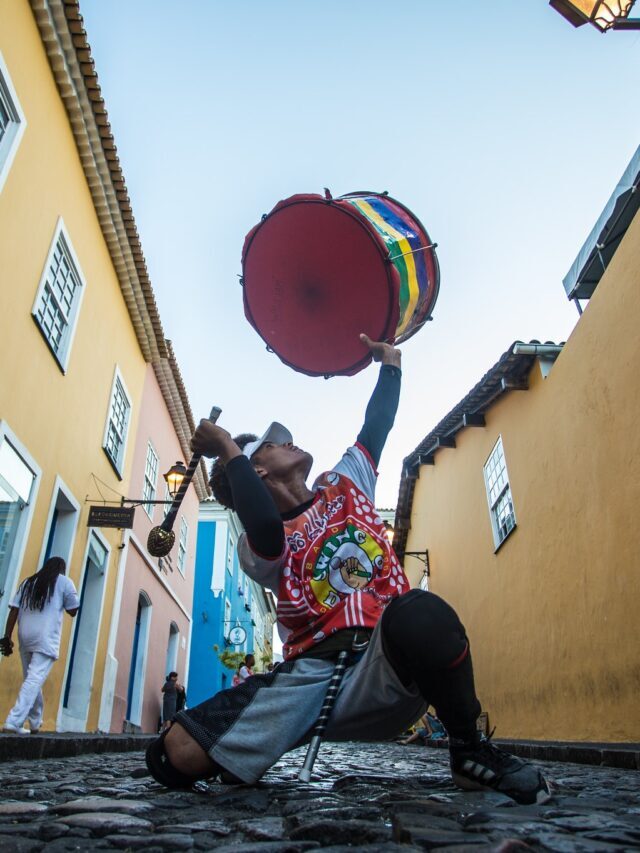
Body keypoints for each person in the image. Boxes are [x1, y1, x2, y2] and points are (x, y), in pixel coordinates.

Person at [145, 335, 550, 805]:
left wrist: (391, 363)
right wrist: (227, 451)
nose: (287, 440)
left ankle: (469, 751)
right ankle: (257, 745)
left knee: (423, 611)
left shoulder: (344, 481)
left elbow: (375, 424)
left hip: (389, 661)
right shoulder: (255, 545)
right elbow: (267, 531)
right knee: (171, 757)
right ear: (258, 472)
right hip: (310, 681)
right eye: (273, 445)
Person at [1, 556, 79, 734]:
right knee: (34, 678)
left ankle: (35, 722)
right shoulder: (65, 582)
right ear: (62, 569)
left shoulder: (28, 582)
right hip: (46, 637)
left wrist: (7, 635)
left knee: (32, 678)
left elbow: (14, 609)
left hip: (25, 635)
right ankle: (13, 721)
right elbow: (73, 610)